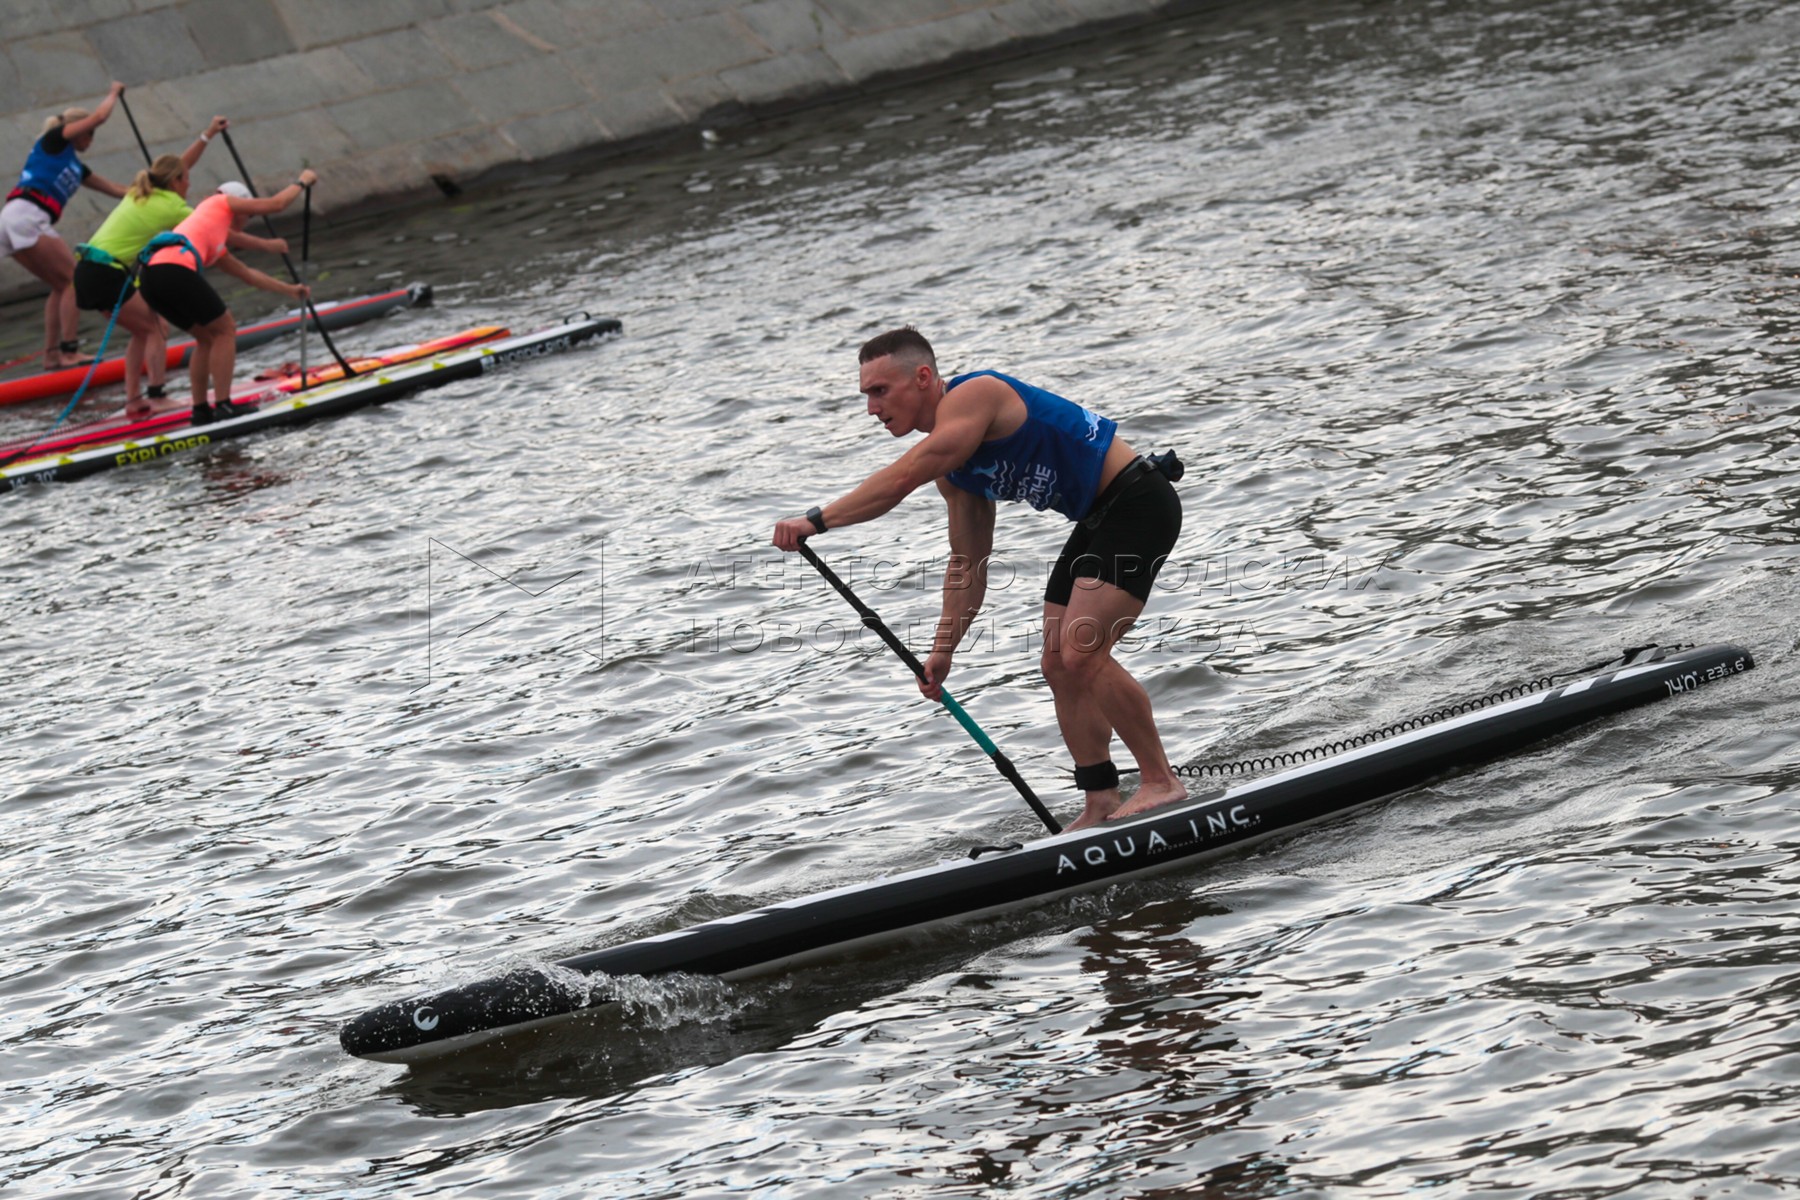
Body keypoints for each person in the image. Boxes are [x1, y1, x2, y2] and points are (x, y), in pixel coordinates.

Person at [772, 327, 1188, 831]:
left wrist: (815, 521)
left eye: (879, 391)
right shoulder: (955, 472)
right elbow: (968, 563)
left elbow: (902, 477)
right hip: (1098, 520)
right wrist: (943, 649)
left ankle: (1160, 780)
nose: (871, 408)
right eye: (866, 395)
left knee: (1081, 652)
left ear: (922, 377)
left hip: (1139, 503)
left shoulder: (978, 395)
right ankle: (1100, 799)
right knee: (1058, 665)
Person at [73, 118, 278, 419]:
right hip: (106, 273)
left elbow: (180, 165)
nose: (189, 183)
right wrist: (269, 245)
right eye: (186, 180)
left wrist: (208, 135)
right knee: (157, 327)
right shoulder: (174, 208)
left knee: (142, 330)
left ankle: (134, 400)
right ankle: (156, 397)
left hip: (87, 270)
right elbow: (224, 234)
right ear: (174, 182)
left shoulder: (141, 191)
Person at [136, 172, 315, 425]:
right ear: (241, 206)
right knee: (226, 329)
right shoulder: (221, 202)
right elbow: (276, 204)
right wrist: (302, 181)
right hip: (172, 270)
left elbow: (248, 275)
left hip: (149, 278)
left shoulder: (213, 234)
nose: (248, 219)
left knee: (206, 338)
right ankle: (224, 405)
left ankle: (201, 411)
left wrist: (291, 290)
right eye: (249, 214)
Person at [2, 83, 130, 369]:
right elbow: (99, 116)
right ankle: (70, 352)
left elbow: (115, 189)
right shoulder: (54, 141)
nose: (91, 140)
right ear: (78, 130)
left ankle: (52, 356)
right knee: (75, 279)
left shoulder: (76, 167)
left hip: (15, 219)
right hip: (26, 215)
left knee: (61, 285)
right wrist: (113, 93)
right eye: (90, 134)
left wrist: (149, 189)